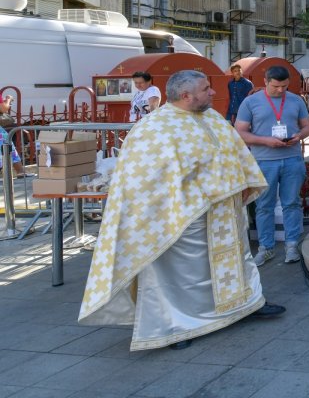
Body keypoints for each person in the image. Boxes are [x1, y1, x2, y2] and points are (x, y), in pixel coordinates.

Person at [79, 70, 285, 351]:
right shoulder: (154, 129)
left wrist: (244, 182)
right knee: (186, 273)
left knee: (236, 260)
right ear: (186, 95)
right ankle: (178, 325)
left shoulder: (212, 117)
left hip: (225, 211)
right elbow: (144, 180)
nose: (213, 92)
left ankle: (246, 306)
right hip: (184, 217)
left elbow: (235, 152)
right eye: (206, 88)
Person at [234, 65, 309, 265]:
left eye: (285, 86)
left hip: (292, 159)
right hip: (264, 160)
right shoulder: (251, 102)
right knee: (264, 205)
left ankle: (292, 245)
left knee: (292, 203)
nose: (281, 90)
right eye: (276, 86)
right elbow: (240, 132)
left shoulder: (296, 100)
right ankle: (266, 247)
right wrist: (265, 141)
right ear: (266, 82)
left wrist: (299, 136)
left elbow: (308, 126)